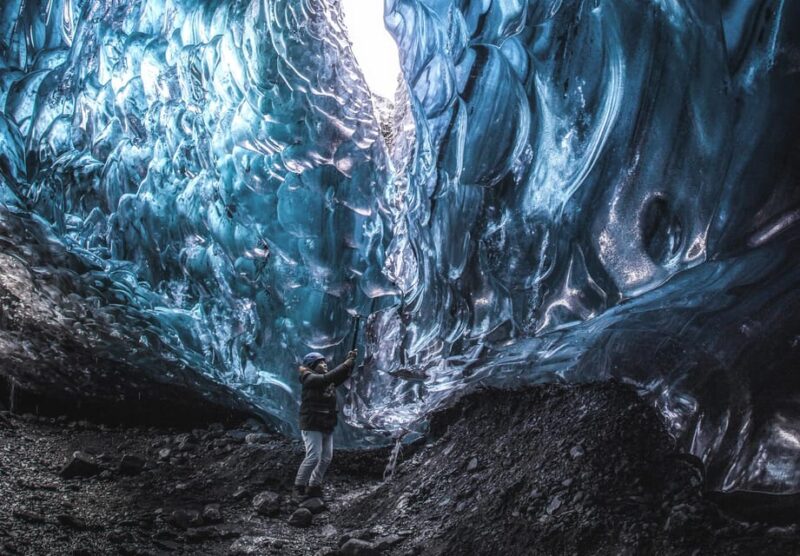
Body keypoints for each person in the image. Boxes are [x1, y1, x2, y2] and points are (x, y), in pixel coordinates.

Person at [293, 349, 357, 499]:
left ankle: (314, 486)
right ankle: (298, 487)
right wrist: (345, 364)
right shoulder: (309, 378)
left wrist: (350, 362)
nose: (324, 364)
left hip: (326, 423)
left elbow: (340, 376)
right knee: (313, 456)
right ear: (312, 365)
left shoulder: (325, 379)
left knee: (326, 458)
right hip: (312, 423)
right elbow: (327, 379)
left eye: (324, 362)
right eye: (320, 363)